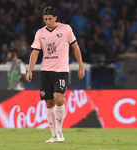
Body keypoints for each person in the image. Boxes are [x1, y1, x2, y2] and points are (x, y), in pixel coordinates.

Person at [26, 6, 85, 143]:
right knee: (49, 102)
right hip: (46, 70)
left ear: (56, 18)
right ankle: (53, 134)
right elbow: (35, 52)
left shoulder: (66, 29)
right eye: (45, 19)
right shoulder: (40, 33)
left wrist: (80, 65)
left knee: (59, 99)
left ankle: (59, 130)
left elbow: (75, 47)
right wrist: (30, 69)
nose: (47, 22)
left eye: (50, 19)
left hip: (61, 71)